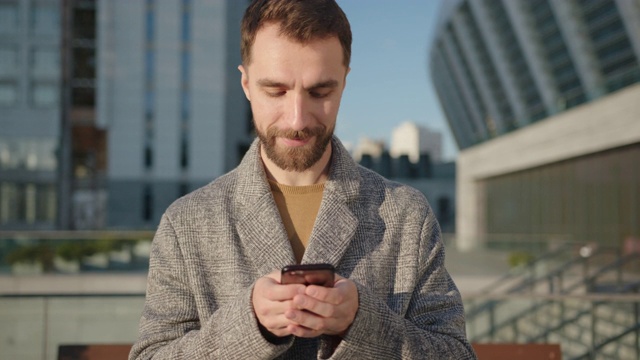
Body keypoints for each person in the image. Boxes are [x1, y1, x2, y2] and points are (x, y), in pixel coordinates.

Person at [129, 0, 476, 359]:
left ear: (344, 83)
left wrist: (362, 323)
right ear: (246, 84)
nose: (297, 119)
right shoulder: (186, 223)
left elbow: (455, 354)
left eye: (320, 92)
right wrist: (249, 326)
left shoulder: (406, 216)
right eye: (275, 91)